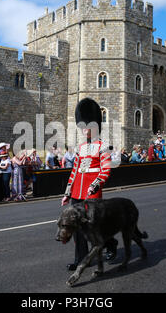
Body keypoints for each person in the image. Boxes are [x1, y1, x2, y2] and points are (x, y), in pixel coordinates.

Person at [61, 98, 117, 271]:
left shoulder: (103, 146)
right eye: (83, 127)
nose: (85, 130)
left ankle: (111, 243)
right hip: (77, 191)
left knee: (93, 226)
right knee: (76, 227)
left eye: (87, 126)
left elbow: (105, 171)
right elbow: (74, 172)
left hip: (92, 192)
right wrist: (67, 192)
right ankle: (80, 259)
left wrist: (95, 185)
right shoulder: (80, 147)